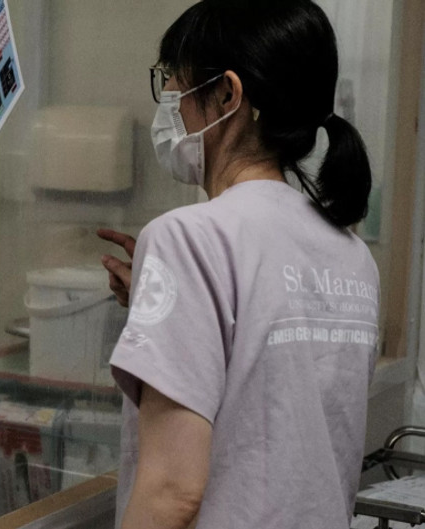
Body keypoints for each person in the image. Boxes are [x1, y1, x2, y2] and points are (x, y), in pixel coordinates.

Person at [98, 1, 379, 528]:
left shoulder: (189, 237)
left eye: (174, 81)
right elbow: (280, 395)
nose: (169, 99)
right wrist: (172, 304)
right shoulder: (352, 254)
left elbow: (172, 491)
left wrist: (181, 274)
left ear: (228, 94)